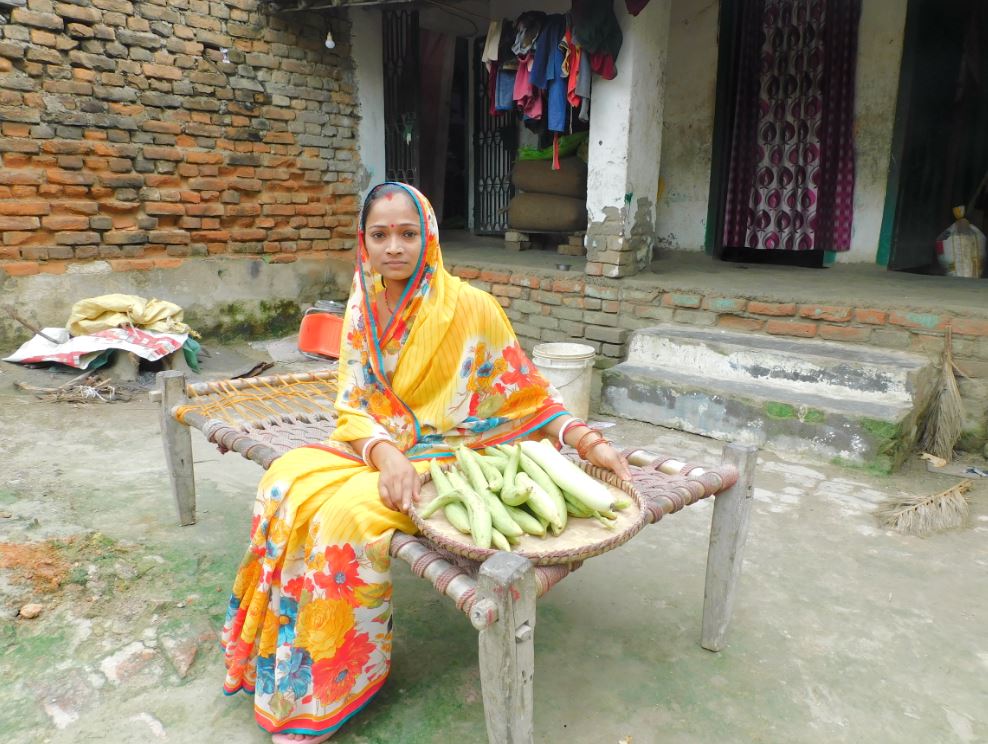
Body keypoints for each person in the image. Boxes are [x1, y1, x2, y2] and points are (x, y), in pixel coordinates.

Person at [221, 182, 630, 743]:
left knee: (346, 520)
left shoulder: (470, 306)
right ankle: (283, 663)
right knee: (281, 482)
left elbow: (526, 396)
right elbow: (352, 401)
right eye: (380, 235)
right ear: (363, 243)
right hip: (379, 448)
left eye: (407, 233)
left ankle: (336, 681)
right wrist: (386, 454)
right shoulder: (362, 302)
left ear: (428, 237)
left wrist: (587, 443)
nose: (394, 247)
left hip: (456, 456)